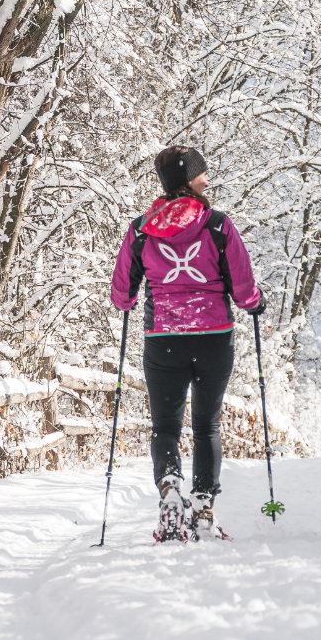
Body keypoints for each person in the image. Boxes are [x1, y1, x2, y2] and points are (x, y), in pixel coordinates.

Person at [110, 145, 264, 541]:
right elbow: (243, 287)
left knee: (165, 426)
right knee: (207, 425)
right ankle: (203, 505)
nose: (207, 180)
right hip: (213, 337)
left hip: (164, 339)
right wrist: (254, 303)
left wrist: (132, 298)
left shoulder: (141, 229)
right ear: (190, 181)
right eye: (202, 174)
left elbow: (122, 296)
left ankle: (170, 491)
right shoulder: (216, 225)